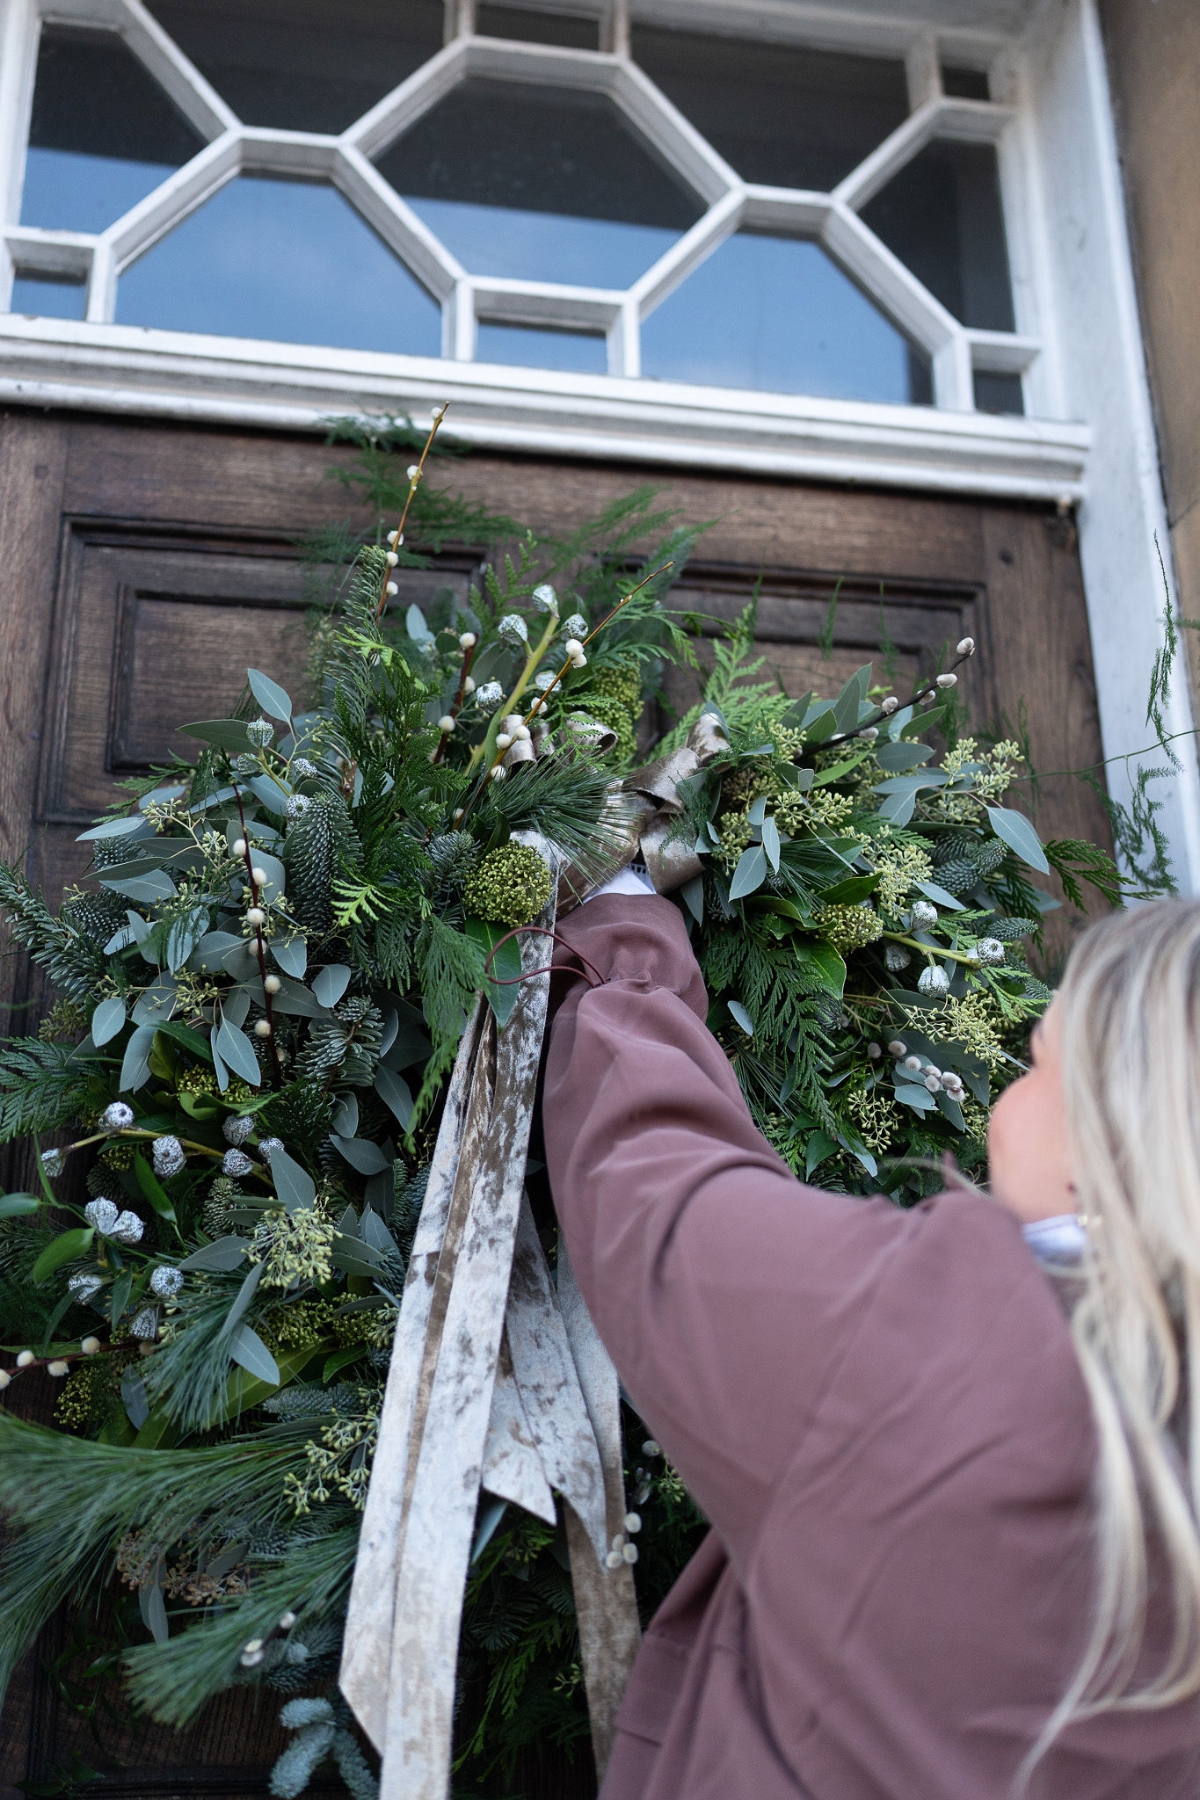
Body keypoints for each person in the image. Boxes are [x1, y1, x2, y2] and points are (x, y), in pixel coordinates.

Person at [541, 890, 1200, 1798]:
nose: (1013, 1087)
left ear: (1116, 1138)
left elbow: (658, 1202)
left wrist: (626, 935)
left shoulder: (958, 1341)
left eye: (1040, 1064)